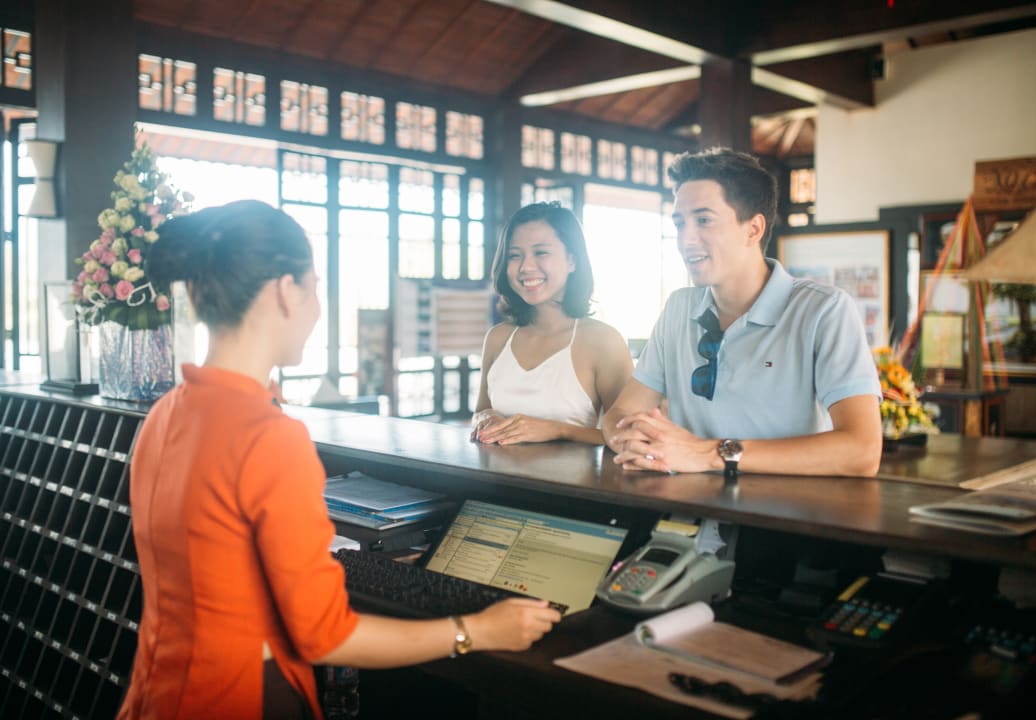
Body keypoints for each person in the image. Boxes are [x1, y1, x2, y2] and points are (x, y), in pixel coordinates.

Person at [118, 200, 560, 719]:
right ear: (287, 290)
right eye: (316, 287)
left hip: (156, 693)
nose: (316, 307)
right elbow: (324, 637)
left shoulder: (166, 413)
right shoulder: (269, 437)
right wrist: (478, 630)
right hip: (240, 697)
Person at [602, 148, 882, 477]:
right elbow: (620, 414)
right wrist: (636, 443)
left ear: (753, 229)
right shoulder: (679, 308)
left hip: (781, 518)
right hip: (684, 513)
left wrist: (709, 454)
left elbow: (862, 451)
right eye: (679, 223)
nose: (685, 239)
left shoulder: (824, 310)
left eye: (704, 220)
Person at [471, 202, 633, 445]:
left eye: (541, 253)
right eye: (515, 255)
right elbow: (480, 413)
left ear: (572, 261)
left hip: (570, 483)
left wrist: (558, 430)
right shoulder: (498, 338)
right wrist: (485, 417)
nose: (526, 267)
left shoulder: (603, 342)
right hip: (496, 481)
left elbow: (629, 437)